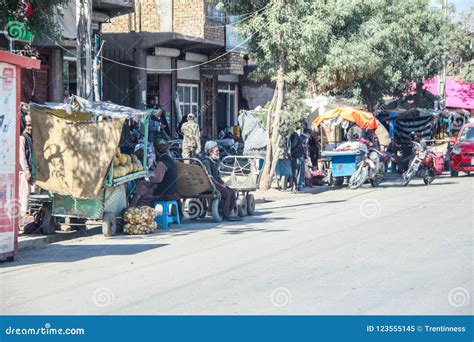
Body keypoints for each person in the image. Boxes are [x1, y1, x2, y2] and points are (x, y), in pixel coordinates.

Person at [130, 140, 179, 208]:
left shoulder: (162, 162)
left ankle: (134, 208)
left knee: (142, 191)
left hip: (164, 192)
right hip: (171, 189)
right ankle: (133, 207)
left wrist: (151, 180)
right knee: (142, 184)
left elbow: (158, 180)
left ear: (157, 152)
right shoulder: (169, 160)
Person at [201, 141, 241, 221]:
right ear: (210, 152)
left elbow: (216, 176)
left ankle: (229, 212)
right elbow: (210, 177)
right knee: (226, 193)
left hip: (216, 184)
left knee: (232, 192)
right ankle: (226, 215)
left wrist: (222, 183)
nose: (218, 152)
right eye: (216, 151)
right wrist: (219, 184)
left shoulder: (213, 161)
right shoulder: (206, 162)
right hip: (211, 185)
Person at [19, 115, 33, 221]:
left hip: (31, 172)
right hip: (23, 173)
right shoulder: (22, 138)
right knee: (24, 195)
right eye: (28, 125)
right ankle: (23, 218)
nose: (30, 128)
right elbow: (22, 156)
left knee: (30, 195)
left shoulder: (31, 138)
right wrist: (27, 171)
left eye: (32, 125)